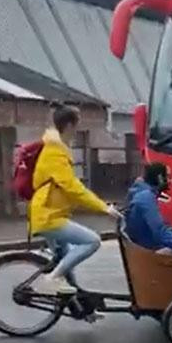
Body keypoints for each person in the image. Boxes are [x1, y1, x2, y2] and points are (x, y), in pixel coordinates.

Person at [30, 105, 120, 295]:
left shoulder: (57, 148)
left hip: (50, 213)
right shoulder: (55, 152)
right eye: (78, 124)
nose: (79, 129)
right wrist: (104, 208)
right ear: (70, 125)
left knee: (66, 257)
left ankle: (81, 307)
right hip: (49, 217)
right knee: (92, 241)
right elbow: (73, 188)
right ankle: (52, 279)